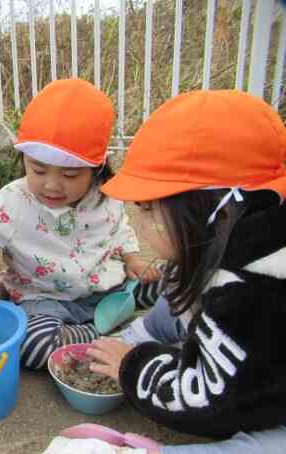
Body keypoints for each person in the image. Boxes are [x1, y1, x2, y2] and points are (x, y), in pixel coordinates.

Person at [87, 89, 286, 453]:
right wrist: (134, 338)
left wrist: (132, 367)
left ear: (213, 209)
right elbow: (174, 309)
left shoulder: (254, 290)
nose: (138, 222)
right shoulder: (225, 241)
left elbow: (214, 402)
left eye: (147, 209)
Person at [0, 78, 161, 370]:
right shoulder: (16, 201)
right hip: (45, 302)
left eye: (70, 175)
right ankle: (105, 333)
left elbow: (119, 229)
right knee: (31, 344)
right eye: (38, 170)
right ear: (24, 160)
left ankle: (121, 310)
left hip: (109, 288)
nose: (52, 185)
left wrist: (132, 258)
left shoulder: (107, 196)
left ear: (98, 169)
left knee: (176, 278)